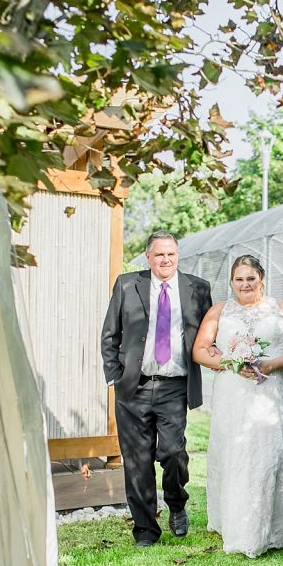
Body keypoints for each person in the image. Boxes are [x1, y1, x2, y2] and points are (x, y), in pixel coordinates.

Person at [101, 231, 212, 548]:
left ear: (178, 256)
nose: (166, 260)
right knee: (137, 460)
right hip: (133, 387)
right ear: (148, 257)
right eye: (160, 255)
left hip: (174, 387)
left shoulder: (197, 289)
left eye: (171, 255)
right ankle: (146, 530)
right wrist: (115, 376)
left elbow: (209, 333)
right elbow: (110, 334)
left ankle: (177, 503)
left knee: (174, 452)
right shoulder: (127, 284)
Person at [192, 255, 283, 557]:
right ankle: (233, 525)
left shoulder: (282, 309)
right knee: (234, 455)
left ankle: (267, 530)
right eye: (239, 279)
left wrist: (271, 364)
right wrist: (231, 363)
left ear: (262, 279)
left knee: (266, 455)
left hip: (268, 392)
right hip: (232, 393)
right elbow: (200, 351)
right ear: (232, 282)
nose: (245, 284)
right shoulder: (220, 311)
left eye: (250, 278)